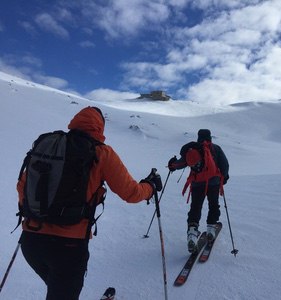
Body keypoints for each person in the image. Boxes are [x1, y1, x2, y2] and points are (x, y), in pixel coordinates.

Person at [16, 106, 162, 300]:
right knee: (62, 290)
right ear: (100, 126)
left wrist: (36, 215)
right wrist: (150, 187)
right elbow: (131, 193)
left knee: (59, 289)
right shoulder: (101, 153)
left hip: (31, 242)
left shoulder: (50, 146)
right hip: (69, 246)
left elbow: (23, 187)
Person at [168, 129, 229, 252]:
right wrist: (224, 177)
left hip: (197, 184)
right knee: (213, 205)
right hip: (214, 183)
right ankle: (211, 229)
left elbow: (181, 163)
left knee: (195, 208)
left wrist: (172, 165)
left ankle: (192, 233)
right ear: (210, 137)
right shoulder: (215, 148)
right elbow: (225, 165)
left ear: (198, 137)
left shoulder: (193, 150)